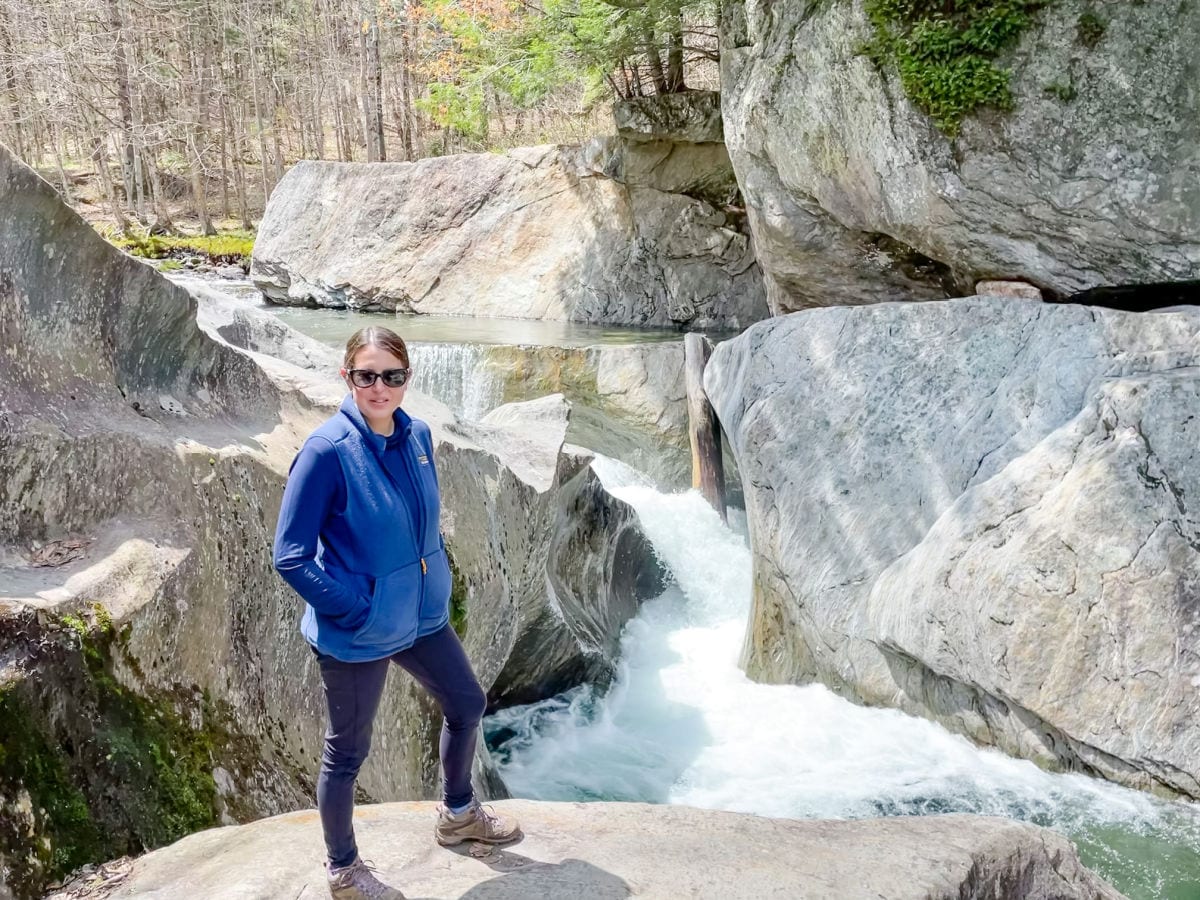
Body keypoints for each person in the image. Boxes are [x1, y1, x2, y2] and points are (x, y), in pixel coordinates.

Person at [273, 326, 520, 900]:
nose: (379, 387)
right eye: (367, 375)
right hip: (357, 630)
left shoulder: (418, 437)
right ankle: (344, 871)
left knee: (466, 702)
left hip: (419, 618)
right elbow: (288, 556)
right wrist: (354, 606)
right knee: (347, 753)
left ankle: (458, 814)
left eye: (392, 376)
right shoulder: (327, 452)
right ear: (348, 378)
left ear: (407, 379)